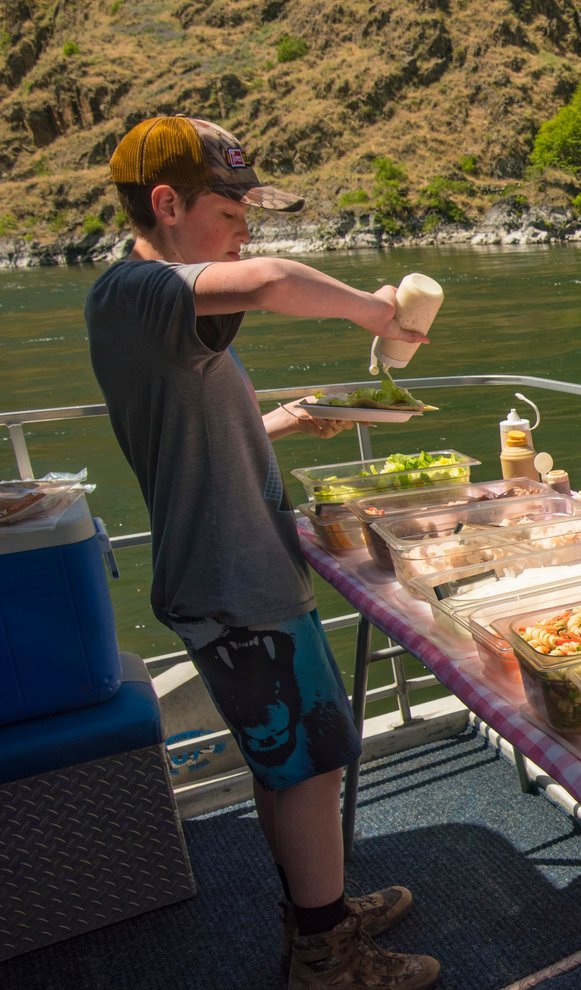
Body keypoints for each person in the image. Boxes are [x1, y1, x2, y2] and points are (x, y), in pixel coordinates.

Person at [84, 114, 440, 990]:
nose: (249, 224)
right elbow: (276, 281)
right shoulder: (137, 292)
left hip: (236, 565)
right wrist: (379, 312)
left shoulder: (157, 309)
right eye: (231, 205)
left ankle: (316, 912)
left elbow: (186, 422)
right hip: (232, 576)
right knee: (315, 763)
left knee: (291, 764)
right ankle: (326, 960)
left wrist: (280, 420)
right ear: (166, 204)